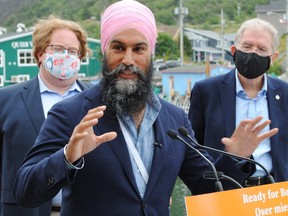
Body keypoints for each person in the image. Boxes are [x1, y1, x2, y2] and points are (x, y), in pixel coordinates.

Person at [13, 2, 278, 215]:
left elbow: (206, 187)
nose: (128, 59)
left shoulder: (174, 119)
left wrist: (234, 157)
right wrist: (67, 157)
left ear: (150, 54)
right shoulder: (71, 113)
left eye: (138, 49)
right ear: (105, 52)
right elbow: (25, 191)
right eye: (118, 47)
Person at [0, 15, 91, 216]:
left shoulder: (100, 102)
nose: (65, 56)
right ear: (40, 53)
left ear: (80, 58)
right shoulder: (4, 100)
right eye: (58, 49)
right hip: (22, 210)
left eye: (72, 51)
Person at [188, 18, 288, 188]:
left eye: (262, 49)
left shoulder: (285, 93)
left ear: (273, 57)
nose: (253, 53)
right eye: (247, 46)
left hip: (275, 195)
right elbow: (191, 150)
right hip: (223, 192)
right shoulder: (206, 91)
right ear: (234, 50)